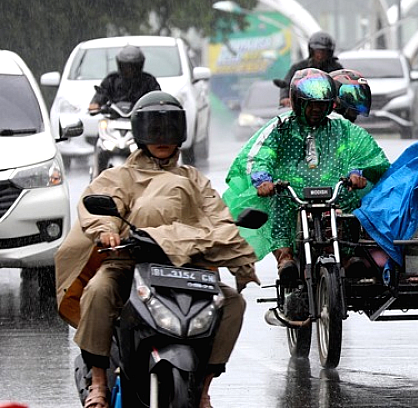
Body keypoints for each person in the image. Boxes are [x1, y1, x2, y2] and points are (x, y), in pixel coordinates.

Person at [55, 91, 260, 408]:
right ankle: (98, 382)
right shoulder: (121, 176)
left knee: (233, 302)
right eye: (154, 129)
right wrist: (107, 231)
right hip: (128, 262)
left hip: (189, 268)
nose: (162, 137)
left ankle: (204, 388)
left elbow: (220, 220)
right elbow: (100, 209)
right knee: (97, 290)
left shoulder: (196, 181)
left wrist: (242, 264)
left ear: (182, 133)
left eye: (170, 128)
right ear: (139, 133)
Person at [234, 68, 389, 282]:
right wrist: (263, 179)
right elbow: (259, 153)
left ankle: (347, 257)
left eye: (322, 103)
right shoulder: (280, 126)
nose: (317, 109)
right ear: (298, 102)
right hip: (291, 192)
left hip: (334, 191)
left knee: (353, 202)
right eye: (312, 103)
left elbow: (363, 151)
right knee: (279, 203)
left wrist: (357, 173)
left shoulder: (341, 127)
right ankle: (285, 257)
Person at [88, 45, 161, 114]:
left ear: (139, 65)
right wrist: (96, 103)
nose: (129, 70)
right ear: (120, 65)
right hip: (114, 118)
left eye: (133, 67)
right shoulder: (112, 79)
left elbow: (158, 98)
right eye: (126, 66)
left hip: (141, 120)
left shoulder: (149, 80)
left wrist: (157, 106)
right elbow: (101, 93)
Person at [278, 31, 343, 107]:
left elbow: (344, 86)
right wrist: (285, 97)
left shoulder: (337, 69)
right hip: (303, 106)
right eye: (318, 52)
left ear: (329, 53)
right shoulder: (299, 67)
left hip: (330, 107)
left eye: (324, 52)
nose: (320, 55)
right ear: (311, 51)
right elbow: (286, 84)